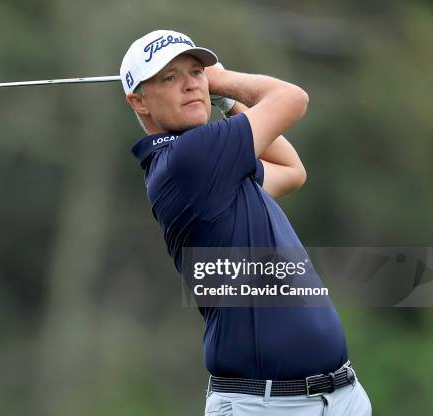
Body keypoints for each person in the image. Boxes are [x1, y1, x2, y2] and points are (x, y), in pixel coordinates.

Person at [120, 29, 372, 416]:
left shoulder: (209, 167)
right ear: (138, 101)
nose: (191, 85)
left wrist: (224, 100)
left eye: (195, 72)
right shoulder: (191, 159)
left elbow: (291, 171)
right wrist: (221, 79)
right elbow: (292, 98)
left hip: (340, 396)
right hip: (266, 405)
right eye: (170, 78)